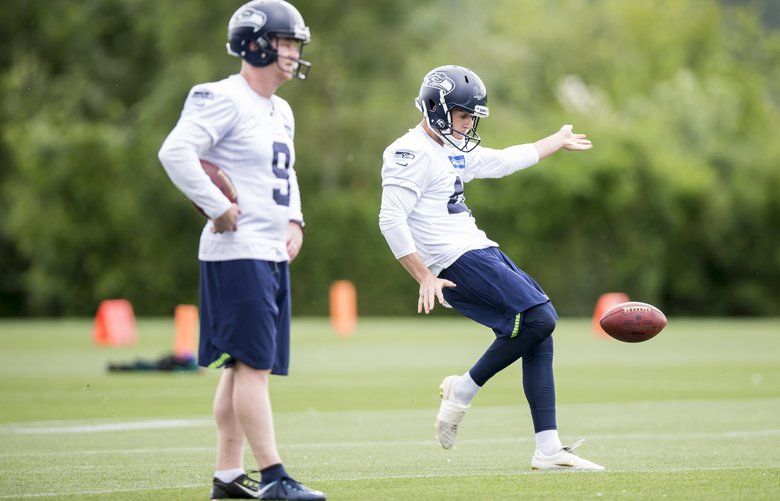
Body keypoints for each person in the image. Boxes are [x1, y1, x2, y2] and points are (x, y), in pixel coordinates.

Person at [378, 65, 604, 471]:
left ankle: (548, 449)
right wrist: (424, 275)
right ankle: (462, 389)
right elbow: (390, 220)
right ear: (436, 109)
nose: (467, 125)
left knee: (540, 333)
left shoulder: (451, 146)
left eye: (471, 117)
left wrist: (557, 139)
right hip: (452, 260)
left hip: (479, 248)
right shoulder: (407, 152)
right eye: (463, 115)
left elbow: (502, 161)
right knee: (540, 318)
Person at [158, 1, 326, 499]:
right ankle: (274, 477)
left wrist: (295, 218)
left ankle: (228, 477)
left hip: (267, 248)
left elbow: (284, 173)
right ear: (256, 43)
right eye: (286, 42)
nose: (294, 53)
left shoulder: (281, 108)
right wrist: (215, 206)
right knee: (254, 367)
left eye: (296, 44)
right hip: (237, 250)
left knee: (243, 368)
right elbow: (175, 151)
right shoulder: (221, 96)